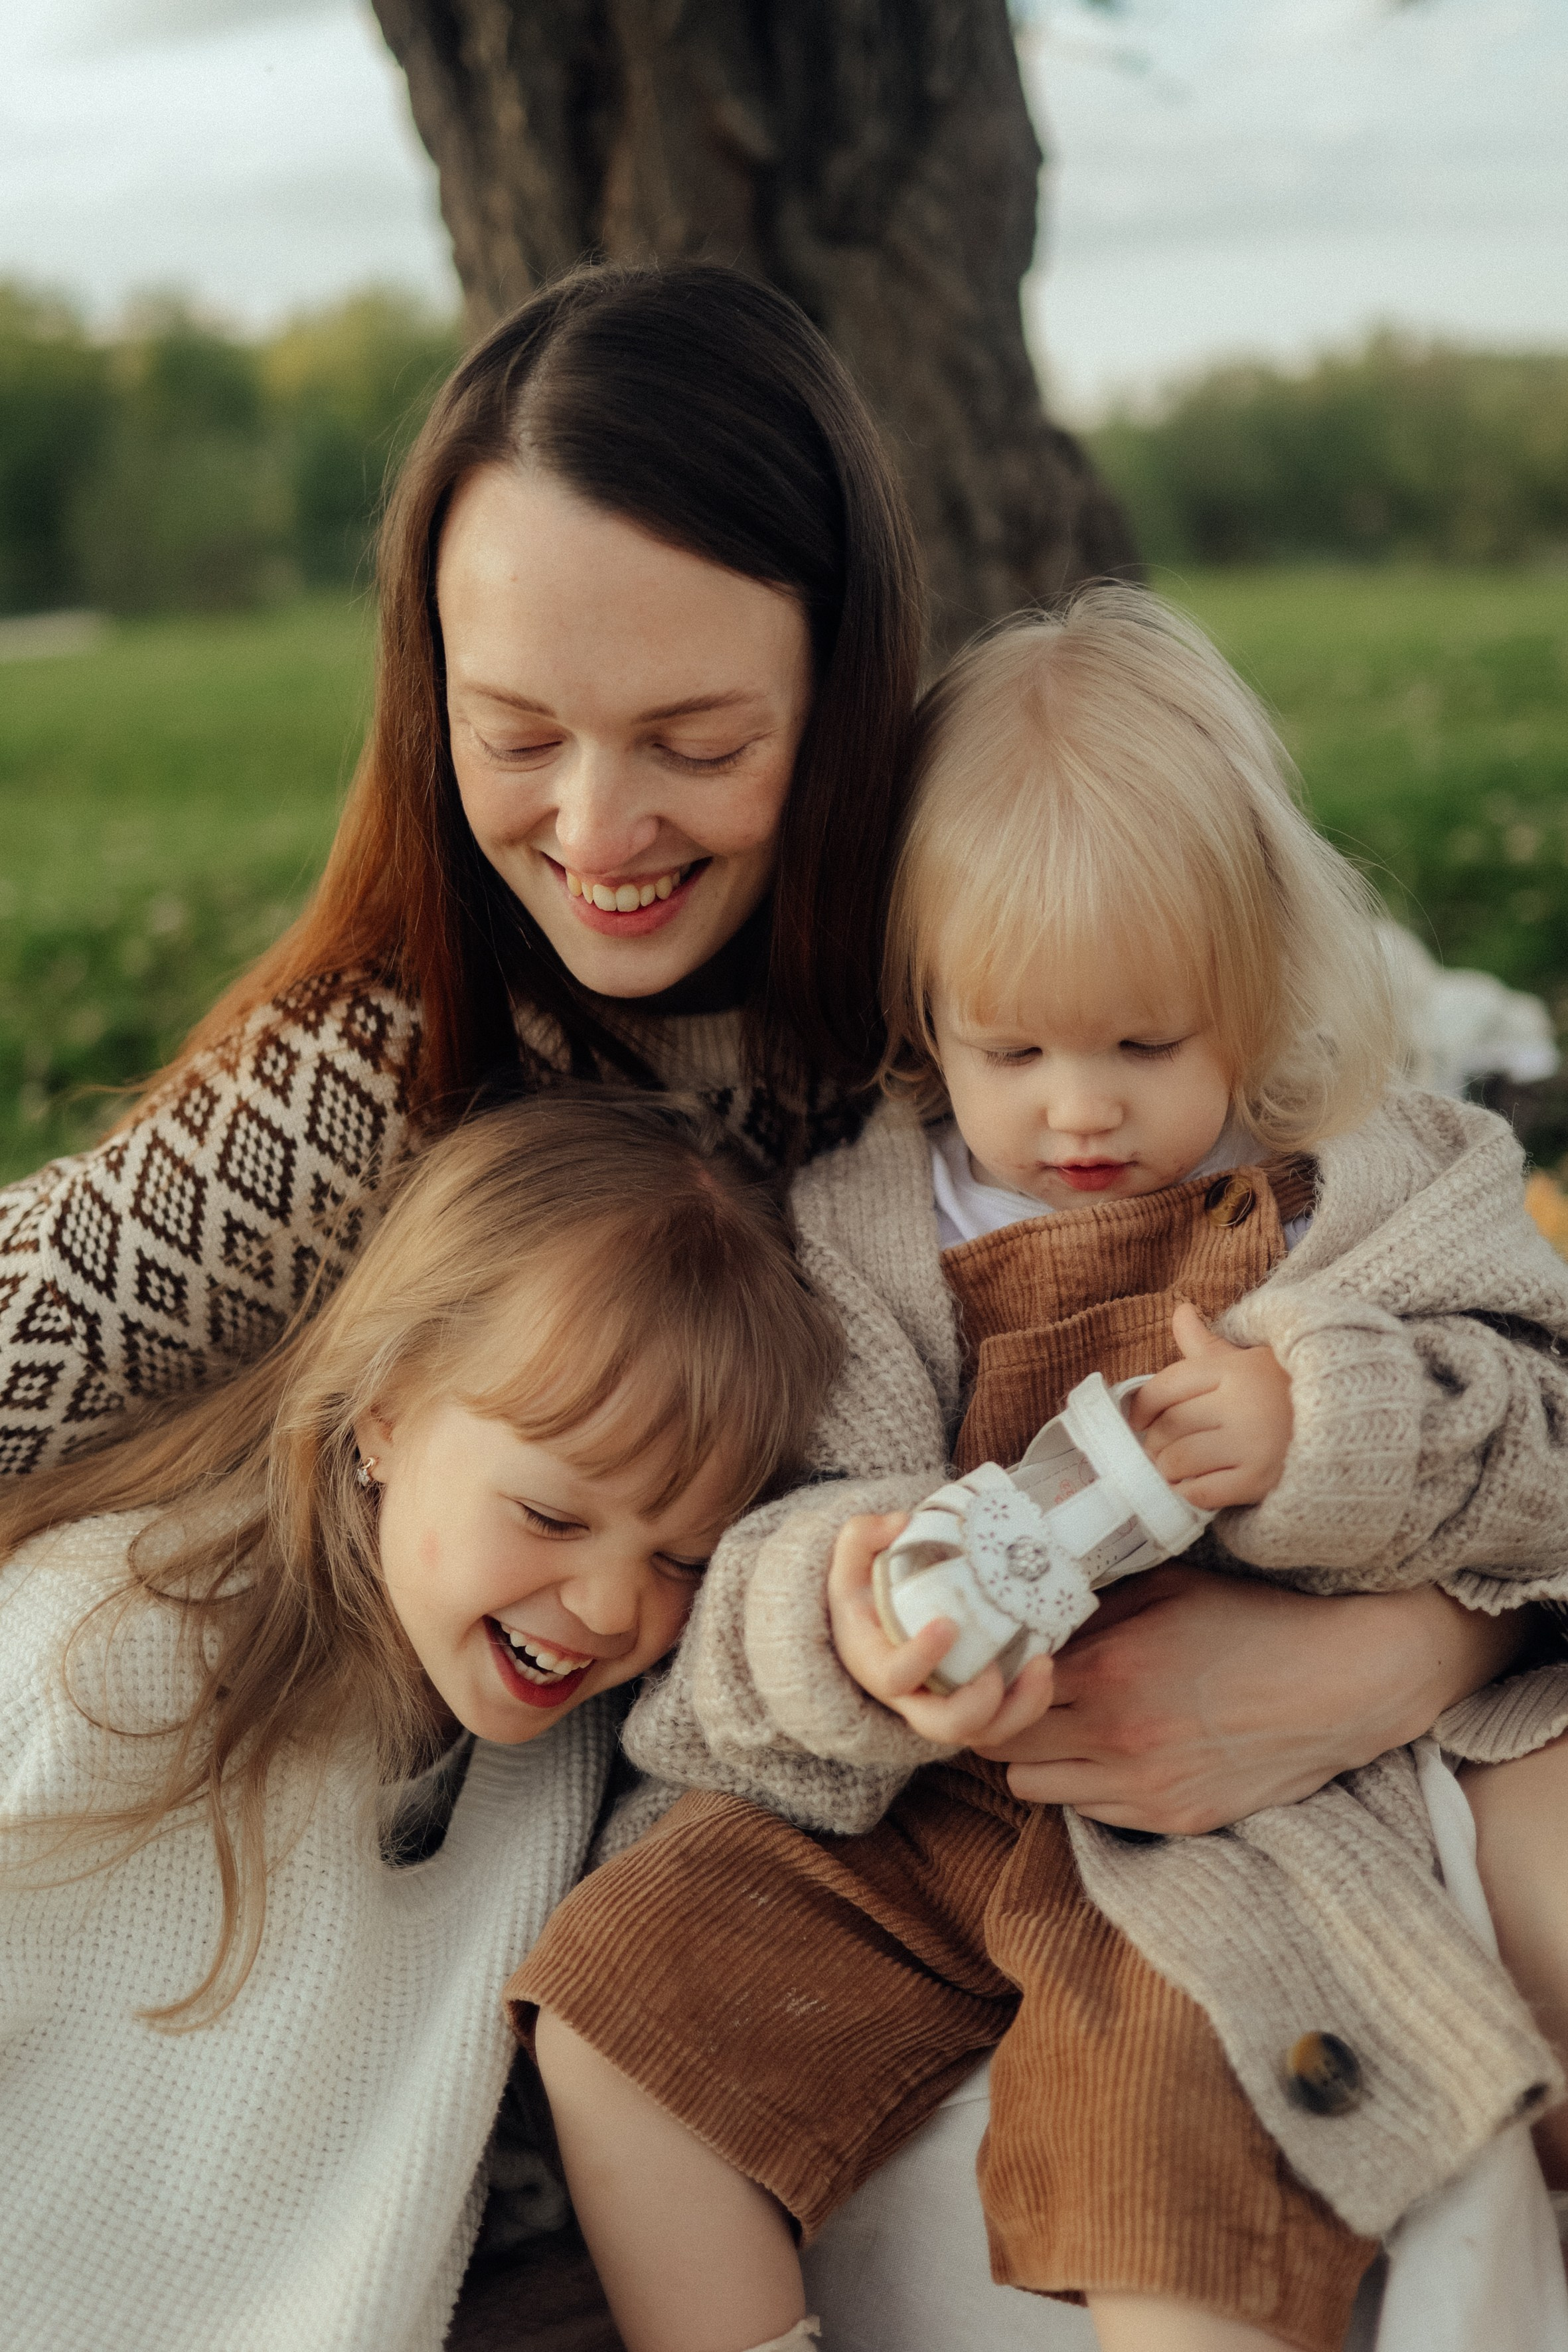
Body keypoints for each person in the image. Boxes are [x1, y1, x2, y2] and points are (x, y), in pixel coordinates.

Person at [0, 261, 1537, 2324]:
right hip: (645, 1818)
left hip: (1129, 1770)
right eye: (515, 734)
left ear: (841, 703)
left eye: (698, 739)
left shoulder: (993, 949)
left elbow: (1422, 1296)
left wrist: (1401, 1658)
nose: (602, 828)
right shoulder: (383, 1071)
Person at [516, 589, 1568, 2352]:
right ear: (927, 1015)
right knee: (619, 2013)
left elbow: (1545, 1429)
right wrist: (857, 1611)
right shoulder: (861, 1224)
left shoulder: (1362, 1184)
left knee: (1176, 2153)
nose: (1078, 1112)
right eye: (1014, 1052)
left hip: (1220, 1820)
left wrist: (1330, 1434)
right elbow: (772, 1532)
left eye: (1143, 1045)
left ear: (1249, 988)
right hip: (921, 1802)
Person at [0, 1089, 842, 2352]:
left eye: (684, 1558)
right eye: (553, 1519)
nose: (614, 1606)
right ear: (384, 1412)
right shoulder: (102, 1646)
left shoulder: (560, 1760)